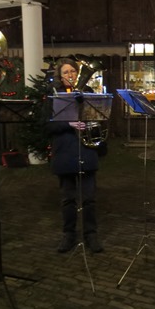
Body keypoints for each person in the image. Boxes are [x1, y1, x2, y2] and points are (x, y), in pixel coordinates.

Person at [47, 58, 103, 254]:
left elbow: (100, 118)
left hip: (86, 149)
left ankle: (91, 234)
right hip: (64, 151)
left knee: (89, 198)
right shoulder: (54, 96)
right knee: (68, 199)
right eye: (66, 72)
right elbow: (47, 125)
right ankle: (68, 234)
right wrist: (68, 124)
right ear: (60, 77)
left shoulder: (89, 94)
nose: (70, 75)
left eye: (73, 71)